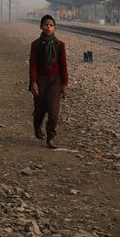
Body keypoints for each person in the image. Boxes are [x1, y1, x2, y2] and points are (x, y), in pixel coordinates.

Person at [28, 14, 69, 148]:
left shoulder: (60, 45)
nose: (48, 27)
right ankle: (37, 126)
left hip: (55, 80)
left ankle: (51, 137)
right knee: (40, 109)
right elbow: (33, 65)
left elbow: (63, 65)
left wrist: (64, 84)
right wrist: (33, 82)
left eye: (51, 25)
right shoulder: (36, 45)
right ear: (41, 27)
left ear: (54, 28)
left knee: (53, 110)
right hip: (40, 79)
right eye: (46, 25)